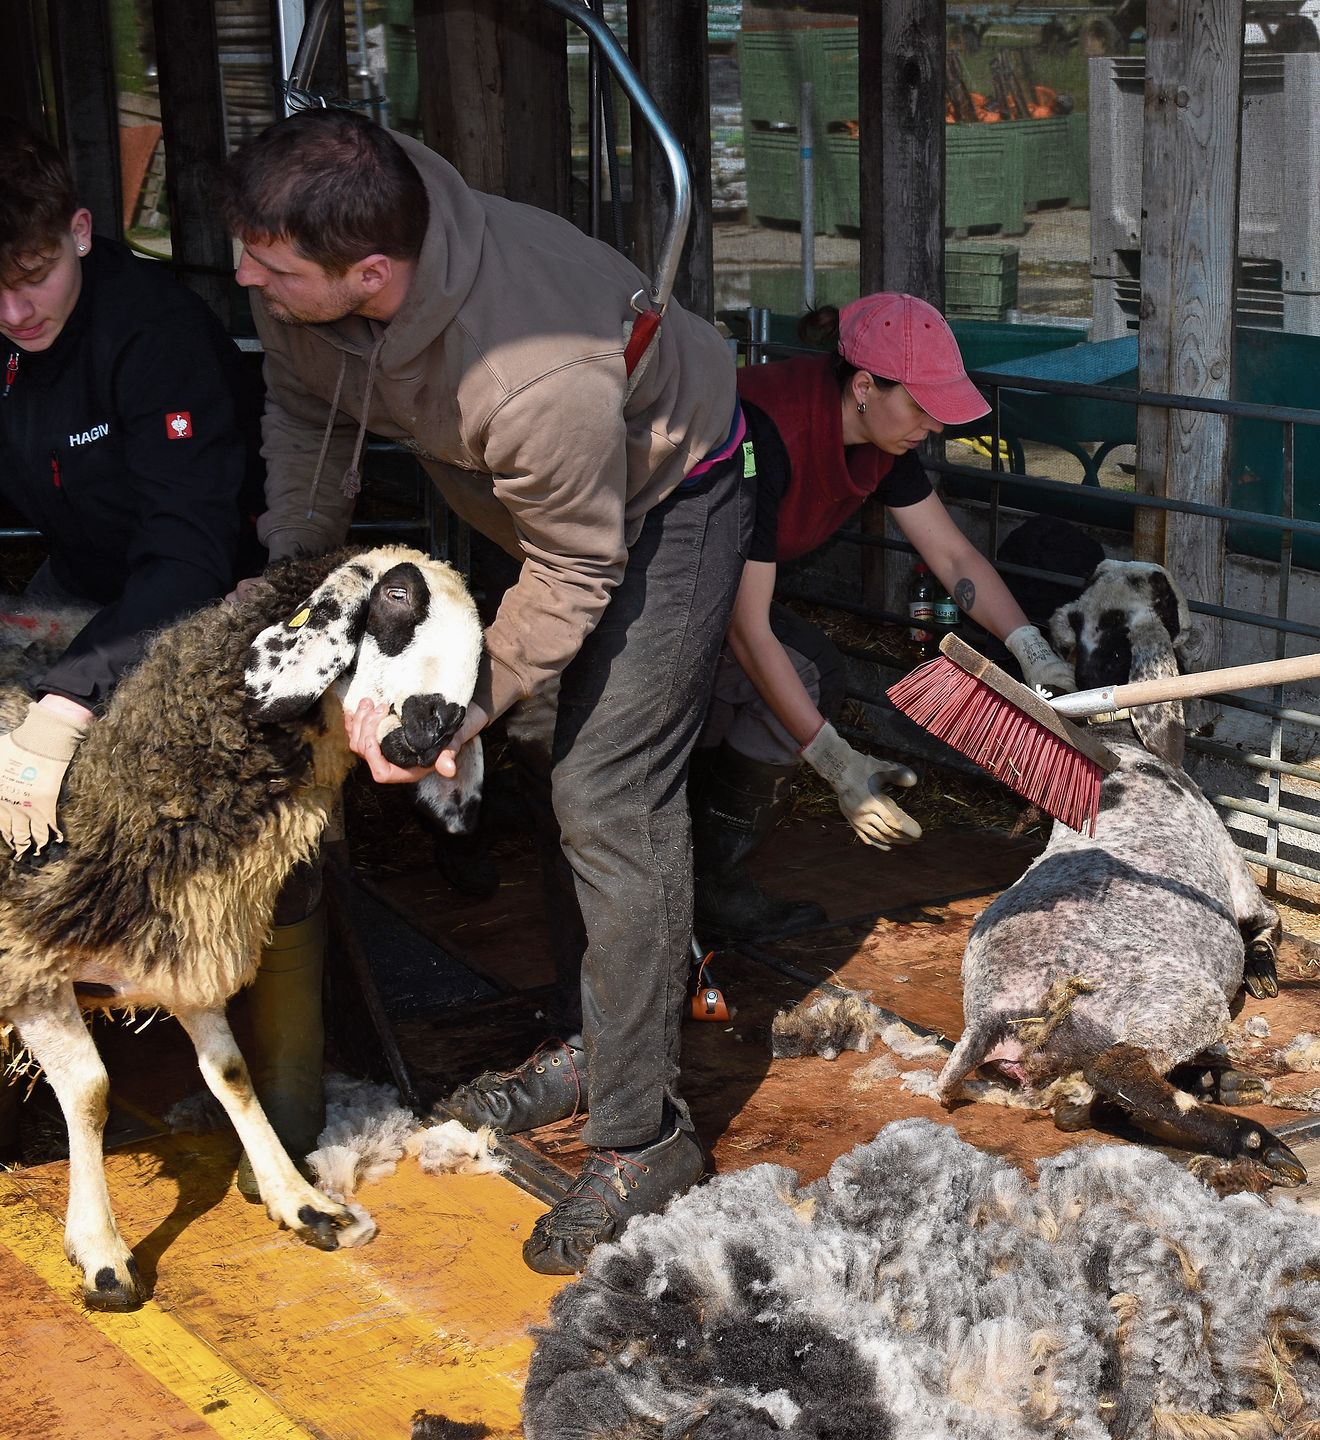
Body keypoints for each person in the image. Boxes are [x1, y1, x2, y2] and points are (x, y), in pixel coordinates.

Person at [219, 107, 753, 1274]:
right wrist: (297, 586)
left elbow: (577, 565)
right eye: (247, 250)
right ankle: (594, 1041)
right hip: (535, 503)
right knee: (555, 758)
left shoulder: (535, 371)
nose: (243, 275)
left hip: (667, 494)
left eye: (268, 266)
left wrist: (462, 703)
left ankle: (642, 1133)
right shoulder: (312, 251)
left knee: (611, 794)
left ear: (369, 273)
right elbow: (309, 409)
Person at [0, 120, 289, 1168]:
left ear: (80, 230)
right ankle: (30, 1015)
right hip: (72, 587)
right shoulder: (5, 326)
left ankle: (289, 1054)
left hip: (200, 596)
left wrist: (67, 703)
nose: (12, 310)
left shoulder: (153, 331)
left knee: (241, 810)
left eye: (31, 276)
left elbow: (187, 554)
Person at [689, 292, 1077, 940]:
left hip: (714, 593)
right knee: (793, 678)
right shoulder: (763, 432)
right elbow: (747, 630)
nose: (937, 425)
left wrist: (1032, 648)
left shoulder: (884, 438)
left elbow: (952, 551)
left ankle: (706, 875)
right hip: (646, 592)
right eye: (924, 405)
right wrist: (836, 763)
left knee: (805, 676)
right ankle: (705, 884)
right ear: (865, 385)